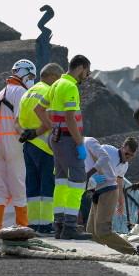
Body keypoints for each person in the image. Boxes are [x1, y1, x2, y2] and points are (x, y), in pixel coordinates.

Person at [34, 55, 93, 240]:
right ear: (81, 67)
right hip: (68, 140)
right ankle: (69, 226)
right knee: (77, 181)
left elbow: (39, 109)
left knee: (60, 182)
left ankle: (59, 224)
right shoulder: (70, 87)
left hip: (56, 139)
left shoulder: (57, 84)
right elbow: (70, 117)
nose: (87, 75)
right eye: (87, 71)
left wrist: (52, 127)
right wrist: (79, 143)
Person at [18, 62, 63, 235]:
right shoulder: (49, 91)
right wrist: (37, 132)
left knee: (32, 186)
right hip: (46, 147)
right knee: (47, 186)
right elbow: (50, 118)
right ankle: (46, 224)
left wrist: (28, 134)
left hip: (29, 146)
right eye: (58, 79)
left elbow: (20, 121)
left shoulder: (27, 93)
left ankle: (33, 223)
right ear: (52, 76)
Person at [0, 59, 35, 232]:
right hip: (14, 142)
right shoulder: (21, 93)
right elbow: (18, 121)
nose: (31, 80)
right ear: (25, 73)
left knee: (0, 187)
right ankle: (22, 227)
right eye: (31, 76)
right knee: (18, 186)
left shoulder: (0, 94)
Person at [83, 136, 138, 254]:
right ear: (122, 148)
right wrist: (93, 175)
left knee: (103, 231)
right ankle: (100, 254)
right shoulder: (108, 150)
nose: (128, 158)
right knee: (91, 232)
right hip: (98, 191)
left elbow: (119, 183)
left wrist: (121, 203)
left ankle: (132, 252)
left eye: (131, 156)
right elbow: (94, 156)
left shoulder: (124, 165)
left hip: (108, 191)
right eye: (127, 154)